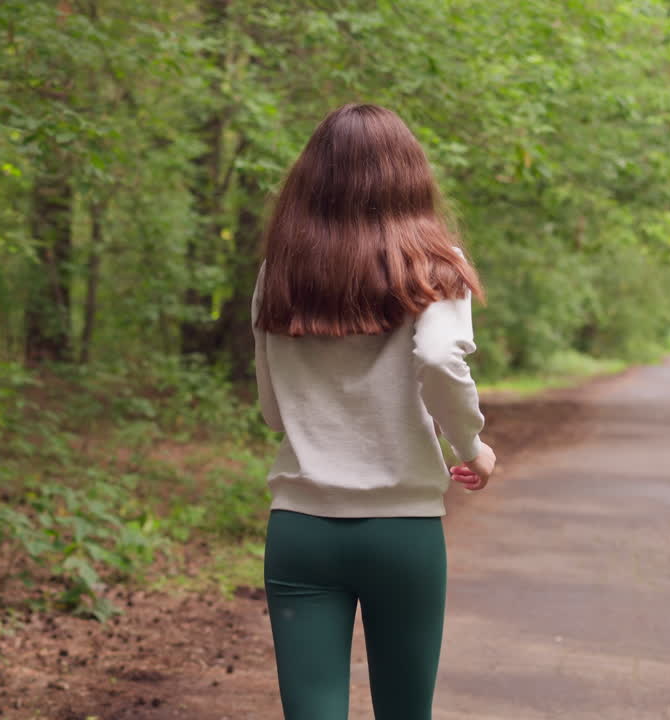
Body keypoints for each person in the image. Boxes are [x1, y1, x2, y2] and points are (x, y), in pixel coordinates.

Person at [251, 103, 496, 720]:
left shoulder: (279, 273)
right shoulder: (437, 265)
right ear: (410, 179)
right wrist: (471, 446)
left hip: (301, 527)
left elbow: (274, 414)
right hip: (402, 529)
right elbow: (439, 359)